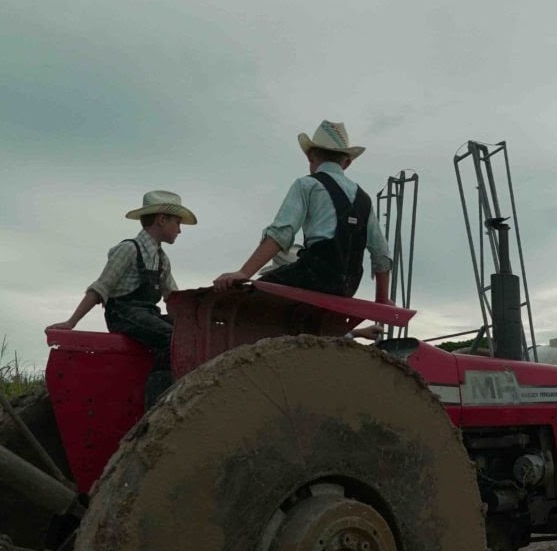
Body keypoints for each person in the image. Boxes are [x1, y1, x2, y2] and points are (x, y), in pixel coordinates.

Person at [47, 190, 197, 409]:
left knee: (183, 333)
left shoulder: (162, 259)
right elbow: (100, 288)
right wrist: (71, 322)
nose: (180, 230)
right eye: (177, 222)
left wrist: (190, 324)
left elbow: (173, 299)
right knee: (169, 337)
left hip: (146, 314)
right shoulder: (128, 250)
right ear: (161, 220)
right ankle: (157, 404)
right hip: (123, 313)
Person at [214, 120, 392, 303]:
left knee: (256, 292)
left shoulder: (307, 185)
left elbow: (281, 233)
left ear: (310, 156)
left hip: (314, 276)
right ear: (346, 163)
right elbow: (381, 253)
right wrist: (382, 298)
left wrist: (244, 272)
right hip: (348, 286)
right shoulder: (364, 199)